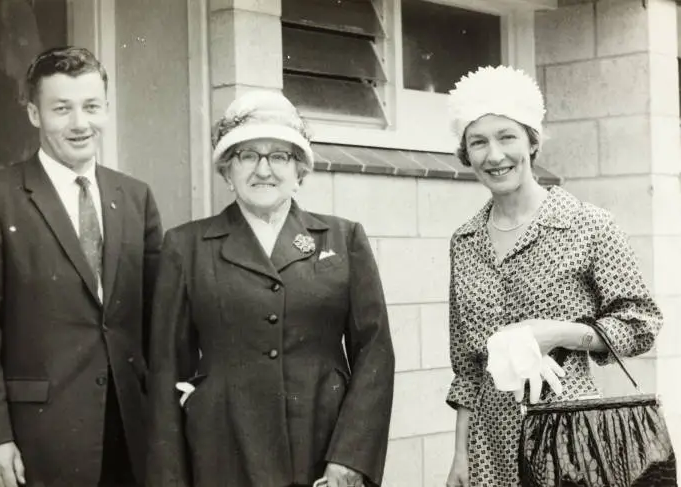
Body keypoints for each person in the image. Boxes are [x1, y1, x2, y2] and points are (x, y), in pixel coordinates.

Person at [145, 90, 395, 487]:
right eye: (247, 156)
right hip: (222, 454)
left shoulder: (343, 238)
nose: (263, 170)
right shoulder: (186, 246)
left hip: (321, 448)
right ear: (227, 171)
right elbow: (165, 371)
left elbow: (375, 354)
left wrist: (350, 459)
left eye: (279, 156)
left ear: (300, 171)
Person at [0, 46, 163, 487]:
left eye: (91, 107)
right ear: (33, 114)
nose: (80, 123)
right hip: (36, 442)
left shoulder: (135, 196)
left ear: (106, 109)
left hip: (129, 435)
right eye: (61, 109)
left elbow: (157, 318)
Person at [443, 65, 662, 487]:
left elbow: (642, 324)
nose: (494, 155)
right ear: (465, 153)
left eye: (507, 136)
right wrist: (460, 455)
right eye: (478, 142)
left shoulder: (588, 225)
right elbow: (467, 368)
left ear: (532, 140)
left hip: (571, 439)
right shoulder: (464, 241)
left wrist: (560, 333)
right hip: (489, 448)